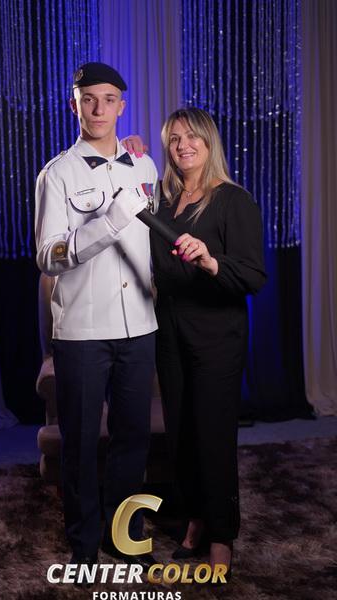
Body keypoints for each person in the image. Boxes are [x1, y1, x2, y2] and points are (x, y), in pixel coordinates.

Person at [34, 62, 159, 571]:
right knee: (82, 445)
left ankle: (123, 537)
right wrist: (108, 222)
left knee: (133, 442)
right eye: (89, 99)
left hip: (140, 326)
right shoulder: (57, 174)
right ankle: (84, 545)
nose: (99, 108)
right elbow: (48, 256)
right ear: (74, 105)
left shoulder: (144, 167)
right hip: (83, 331)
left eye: (109, 99)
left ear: (122, 107)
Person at [149, 107, 267, 579]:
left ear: (209, 141)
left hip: (217, 335)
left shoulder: (232, 199)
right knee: (180, 434)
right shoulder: (162, 200)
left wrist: (212, 262)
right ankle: (195, 517)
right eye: (174, 138)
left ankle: (221, 536)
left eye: (192, 136)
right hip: (169, 332)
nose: (183, 146)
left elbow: (254, 275)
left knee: (213, 437)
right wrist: (130, 149)